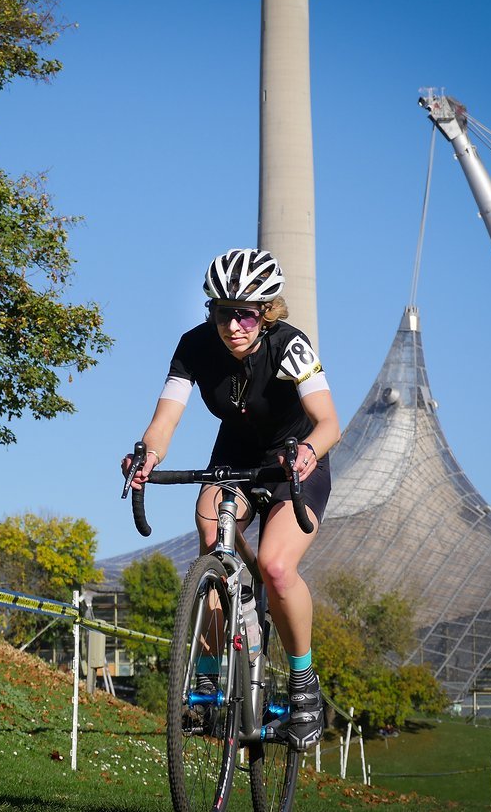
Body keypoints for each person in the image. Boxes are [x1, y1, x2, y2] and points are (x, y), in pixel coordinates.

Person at [122, 247, 340, 750]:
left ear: (266, 313)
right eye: (224, 313)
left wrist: (308, 451)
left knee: (277, 566)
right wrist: (147, 455)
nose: (233, 325)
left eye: (245, 313)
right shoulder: (194, 346)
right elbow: (166, 418)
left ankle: (305, 687)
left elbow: (330, 422)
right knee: (211, 536)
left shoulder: (290, 346)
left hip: (296, 455)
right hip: (236, 454)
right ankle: (205, 673)